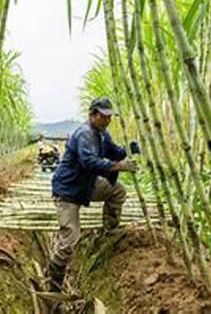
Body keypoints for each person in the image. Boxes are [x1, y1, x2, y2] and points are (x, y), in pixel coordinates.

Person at [46, 97, 139, 293]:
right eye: (104, 116)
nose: (108, 120)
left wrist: (127, 150)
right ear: (93, 114)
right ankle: (54, 283)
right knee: (70, 240)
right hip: (68, 190)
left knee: (118, 191)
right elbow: (90, 162)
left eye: (110, 117)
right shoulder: (84, 134)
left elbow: (114, 152)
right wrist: (120, 166)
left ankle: (110, 231)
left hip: (87, 184)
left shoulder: (102, 134)